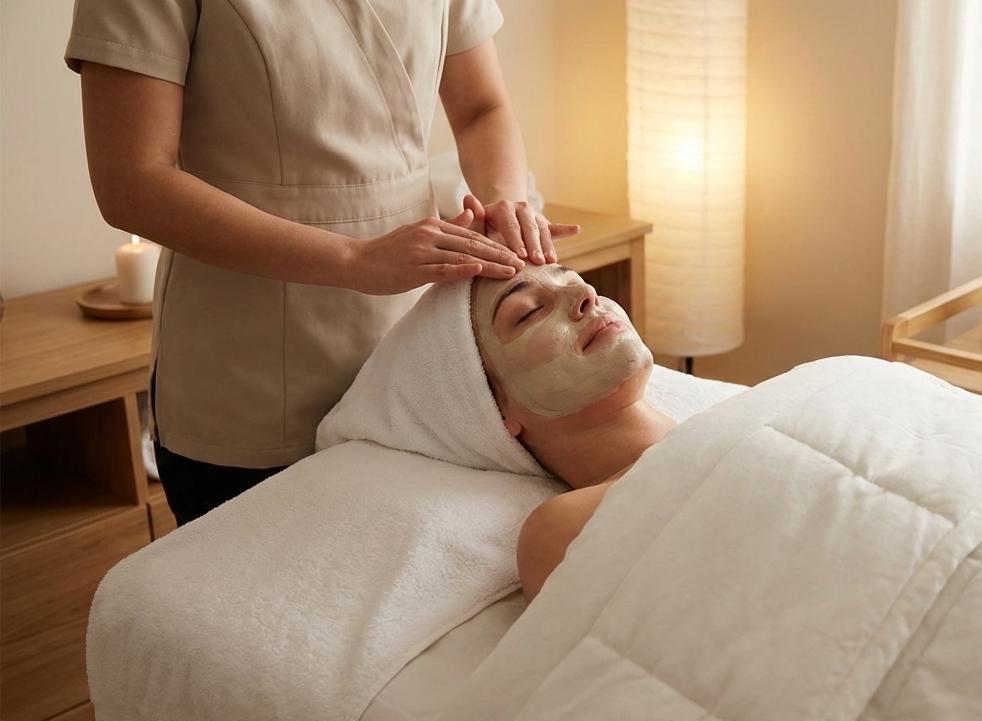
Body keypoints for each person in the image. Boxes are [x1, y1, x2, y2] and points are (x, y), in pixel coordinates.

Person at [65, 0, 579, 525]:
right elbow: (132, 184)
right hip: (250, 364)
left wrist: (506, 201)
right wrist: (354, 259)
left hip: (418, 337)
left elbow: (480, 109)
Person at [468, 263, 672, 601]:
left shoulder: (742, 413)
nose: (586, 294)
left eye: (578, 280)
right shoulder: (565, 532)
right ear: (494, 408)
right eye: (529, 313)